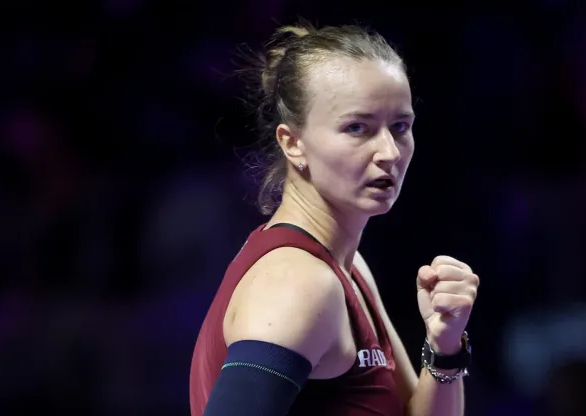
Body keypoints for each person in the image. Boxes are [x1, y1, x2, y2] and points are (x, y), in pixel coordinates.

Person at [189, 21, 480, 416]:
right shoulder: (298, 283)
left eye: (400, 127)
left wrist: (444, 347)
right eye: (357, 127)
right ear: (293, 143)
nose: (390, 153)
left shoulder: (348, 267)